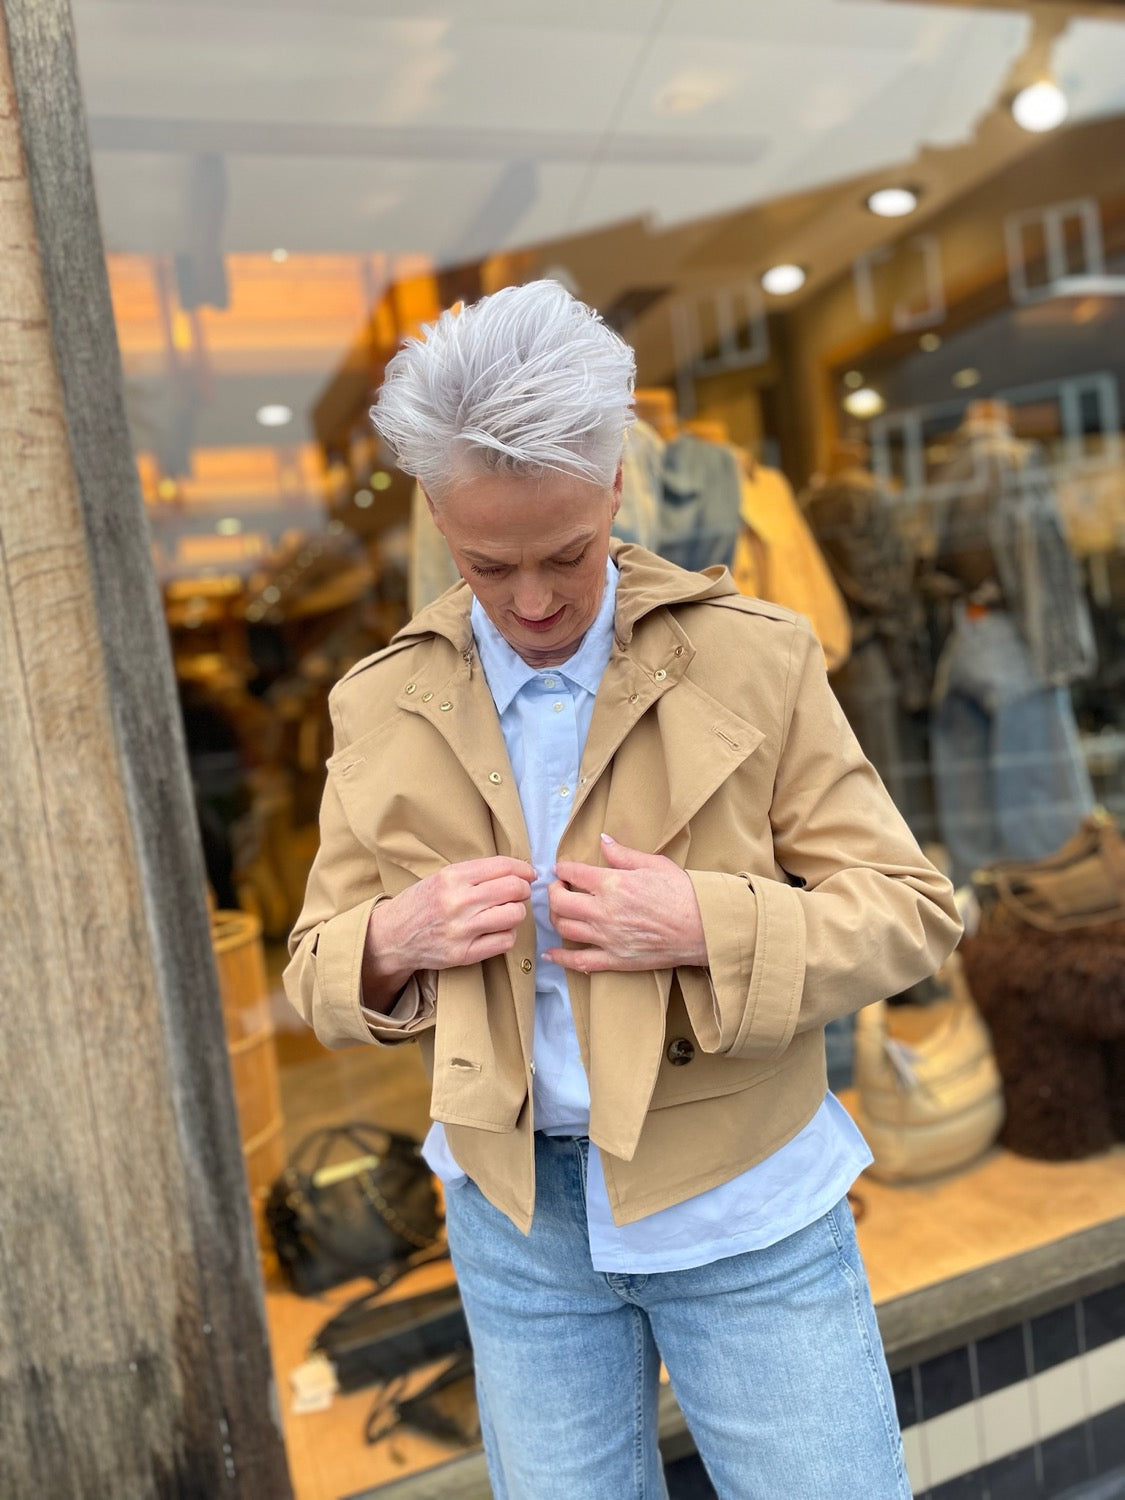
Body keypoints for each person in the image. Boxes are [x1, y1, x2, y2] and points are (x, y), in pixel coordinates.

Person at [285, 280, 962, 1500]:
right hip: (517, 1228)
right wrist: (396, 937)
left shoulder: (754, 656)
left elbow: (911, 909)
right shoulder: (376, 704)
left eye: (568, 555)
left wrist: (708, 923)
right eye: (489, 566)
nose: (534, 603)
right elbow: (315, 965)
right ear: (435, 516)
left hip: (744, 1202)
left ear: (614, 487)